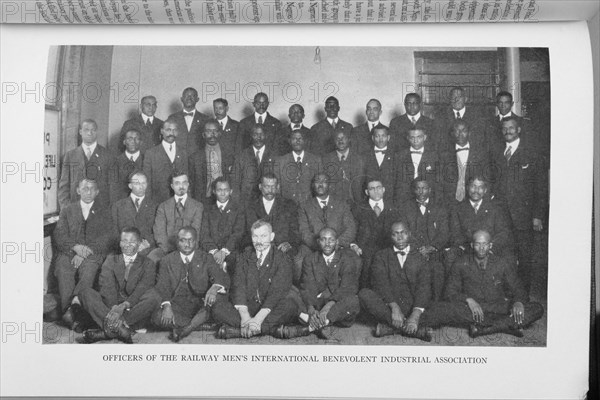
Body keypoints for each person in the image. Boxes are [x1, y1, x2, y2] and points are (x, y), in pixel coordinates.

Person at [420, 230, 544, 338]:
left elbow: (518, 288)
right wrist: (469, 300)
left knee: (537, 308)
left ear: (490, 245)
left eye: (485, 244)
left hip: (497, 307)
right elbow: (449, 292)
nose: (481, 248)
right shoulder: (461, 262)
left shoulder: (501, 263)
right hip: (470, 310)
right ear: (472, 245)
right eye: (478, 244)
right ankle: (506, 325)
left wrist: (518, 302)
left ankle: (485, 328)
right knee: (439, 309)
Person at [212, 220, 298, 339]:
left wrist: (258, 319)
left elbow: (276, 293)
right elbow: (239, 287)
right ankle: (269, 330)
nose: (259, 241)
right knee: (217, 308)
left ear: (272, 236)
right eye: (255, 236)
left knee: (290, 306)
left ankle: (239, 331)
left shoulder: (282, 259)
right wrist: (245, 316)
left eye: (263, 236)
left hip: (268, 309)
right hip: (247, 308)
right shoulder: (243, 257)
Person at [492, 116, 547, 291]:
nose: (507, 131)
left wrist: (538, 216)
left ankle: (523, 296)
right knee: (504, 255)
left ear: (519, 130)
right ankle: (507, 293)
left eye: (511, 128)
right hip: (502, 217)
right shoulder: (497, 152)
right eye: (505, 128)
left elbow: (540, 187)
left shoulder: (531, 153)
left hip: (524, 216)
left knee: (524, 257)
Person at [275, 228, 361, 339]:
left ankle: (313, 326)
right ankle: (318, 322)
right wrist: (311, 308)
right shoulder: (310, 259)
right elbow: (307, 286)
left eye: (331, 240)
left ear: (337, 242)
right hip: (315, 302)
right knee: (289, 290)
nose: (328, 243)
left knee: (354, 300)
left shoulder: (347, 259)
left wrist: (328, 306)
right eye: (324, 240)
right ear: (318, 242)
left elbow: (347, 287)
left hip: (335, 305)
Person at [53, 179, 113, 331]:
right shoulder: (68, 210)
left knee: (89, 269)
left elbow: (108, 237)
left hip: (93, 253)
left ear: (97, 192)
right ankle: (72, 311)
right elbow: (59, 234)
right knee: (63, 268)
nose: (88, 191)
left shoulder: (105, 211)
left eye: (92, 188)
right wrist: (75, 248)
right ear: (78, 191)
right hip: (69, 252)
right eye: (85, 188)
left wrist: (85, 251)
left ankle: (73, 310)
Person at [151, 227, 229, 342]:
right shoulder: (166, 260)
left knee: (215, 302)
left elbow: (221, 277)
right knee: (156, 316)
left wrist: (214, 288)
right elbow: (162, 286)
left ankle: (185, 329)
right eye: (182, 240)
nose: (187, 244)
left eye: (190, 240)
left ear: (196, 241)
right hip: (177, 305)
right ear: (177, 242)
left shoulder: (206, 258)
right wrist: (167, 306)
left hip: (201, 304)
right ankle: (196, 325)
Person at [80, 227, 157, 343]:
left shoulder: (148, 263)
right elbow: (106, 287)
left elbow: (142, 288)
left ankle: (108, 331)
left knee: (154, 297)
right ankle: (122, 329)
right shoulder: (111, 260)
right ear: (120, 243)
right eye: (124, 241)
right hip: (111, 306)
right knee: (84, 292)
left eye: (132, 241)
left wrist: (124, 305)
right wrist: (115, 308)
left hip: (132, 307)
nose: (127, 245)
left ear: (140, 243)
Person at [358, 221, 433, 341]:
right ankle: (414, 330)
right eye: (395, 234)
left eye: (403, 233)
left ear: (409, 234)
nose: (400, 238)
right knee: (364, 294)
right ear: (390, 237)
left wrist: (415, 314)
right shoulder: (381, 256)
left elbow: (424, 288)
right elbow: (380, 284)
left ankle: (392, 327)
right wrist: (394, 307)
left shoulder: (420, 257)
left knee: (439, 306)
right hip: (390, 306)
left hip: (412, 305)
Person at [297, 174, 357, 283]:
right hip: (312, 246)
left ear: (329, 185)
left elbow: (351, 228)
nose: (320, 184)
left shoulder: (341, 204)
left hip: (338, 245)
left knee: (355, 260)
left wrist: (337, 243)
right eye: (317, 181)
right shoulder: (304, 206)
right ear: (312, 185)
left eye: (324, 181)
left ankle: (347, 293)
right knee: (299, 261)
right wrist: (320, 245)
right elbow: (304, 231)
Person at [400, 177, 450, 301]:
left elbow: (444, 233)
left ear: (430, 190)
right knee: (410, 269)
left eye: (424, 188)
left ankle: (436, 306)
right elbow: (405, 233)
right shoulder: (406, 208)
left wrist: (431, 248)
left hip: (434, 252)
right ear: (413, 190)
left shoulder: (440, 208)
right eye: (418, 188)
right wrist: (418, 249)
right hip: (414, 251)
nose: (421, 192)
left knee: (437, 270)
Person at [449, 175, 514, 265]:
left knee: (509, 258)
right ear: (467, 188)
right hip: (468, 250)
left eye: (480, 187)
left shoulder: (495, 208)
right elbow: (455, 234)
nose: (476, 191)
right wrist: (473, 248)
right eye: (473, 186)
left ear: (485, 190)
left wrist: (489, 247)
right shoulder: (457, 209)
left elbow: (503, 232)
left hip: (491, 249)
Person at [351, 178, 402, 289]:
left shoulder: (394, 208)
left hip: (389, 249)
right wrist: (354, 245)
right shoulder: (358, 208)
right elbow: (352, 230)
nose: (376, 191)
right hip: (365, 251)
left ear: (383, 189)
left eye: (378, 188)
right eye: (372, 188)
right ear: (367, 192)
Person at [148, 172, 203, 261]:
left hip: (189, 249)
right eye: (177, 183)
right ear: (172, 186)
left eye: (184, 183)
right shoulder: (163, 206)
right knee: (152, 258)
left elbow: (196, 231)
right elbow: (159, 232)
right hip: (167, 250)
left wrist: (186, 250)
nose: (181, 186)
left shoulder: (198, 206)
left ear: (188, 185)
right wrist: (169, 252)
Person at [58, 119, 112, 210]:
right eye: (86, 130)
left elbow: (112, 187)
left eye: (93, 130)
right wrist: (68, 210)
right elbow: (63, 187)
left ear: (97, 132)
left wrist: (108, 211)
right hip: (75, 211)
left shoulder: (107, 155)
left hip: (100, 212)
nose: (90, 133)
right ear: (80, 132)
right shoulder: (70, 156)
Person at [245, 173, 300, 258]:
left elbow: (295, 231)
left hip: (282, 251)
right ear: (260, 187)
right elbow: (249, 231)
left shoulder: (289, 205)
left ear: (278, 187)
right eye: (266, 186)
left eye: (273, 187)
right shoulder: (251, 206)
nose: (270, 190)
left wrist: (289, 243)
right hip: (258, 249)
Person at [440, 120, 491, 208]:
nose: (460, 134)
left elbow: (487, 178)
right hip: (450, 202)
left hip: (473, 201)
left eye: (464, 131)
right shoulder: (444, 154)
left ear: (469, 133)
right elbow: (440, 180)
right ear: (452, 133)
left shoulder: (481, 153)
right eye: (457, 131)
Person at [200, 177, 246, 275]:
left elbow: (238, 233)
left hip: (231, 251)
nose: (223, 193)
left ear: (231, 191)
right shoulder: (207, 210)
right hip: (212, 251)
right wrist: (215, 251)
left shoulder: (238, 209)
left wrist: (224, 252)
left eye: (226, 190)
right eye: (219, 190)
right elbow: (204, 234)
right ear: (214, 191)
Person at [111, 172, 158, 258]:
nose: (141, 186)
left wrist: (147, 243)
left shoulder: (155, 206)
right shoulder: (118, 206)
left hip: (147, 250)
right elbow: (114, 231)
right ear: (130, 186)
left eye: (143, 183)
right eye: (137, 183)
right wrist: (126, 245)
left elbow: (158, 230)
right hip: (123, 250)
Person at [142, 117, 188, 204]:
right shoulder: (151, 153)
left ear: (177, 132)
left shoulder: (183, 153)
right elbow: (147, 182)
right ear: (162, 131)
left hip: (179, 202)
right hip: (158, 202)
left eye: (174, 130)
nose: (171, 133)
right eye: (168, 130)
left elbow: (187, 179)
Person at [188, 119, 235, 204]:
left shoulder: (230, 155)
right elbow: (191, 184)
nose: (212, 135)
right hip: (202, 200)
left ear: (220, 134)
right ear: (203, 134)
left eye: (215, 131)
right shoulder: (194, 158)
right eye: (209, 131)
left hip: (225, 199)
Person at [230, 124, 277, 204]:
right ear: (251, 136)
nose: (258, 138)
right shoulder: (241, 155)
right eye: (255, 134)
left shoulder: (274, 155)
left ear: (266, 136)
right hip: (246, 201)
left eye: (261, 134)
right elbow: (235, 182)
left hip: (268, 201)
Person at [275, 130, 323, 205]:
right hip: (287, 205)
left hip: (310, 205)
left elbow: (320, 185)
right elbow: (277, 186)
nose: (297, 141)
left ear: (305, 141)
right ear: (290, 141)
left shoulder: (315, 160)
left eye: (300, 138)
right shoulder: (281, 161)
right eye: (294, 138)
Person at [396, 127, 441, 205]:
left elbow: (437, 181)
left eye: (419, 137)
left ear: (425, 137)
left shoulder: (434, 156)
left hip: (427, 198)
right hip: (404, 199)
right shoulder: (399, 155)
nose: (415, 140)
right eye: (412, 137)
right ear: (407, 138)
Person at [435, 87, 488, 152]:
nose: (456, 100)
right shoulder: (441, 116)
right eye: (453, 97)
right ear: (449, 99)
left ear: (465, 99)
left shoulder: (476, 116)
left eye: (459, 97)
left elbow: (480, 139)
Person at [321, 129, 365, 206]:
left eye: (343, 138)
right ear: (334, 141)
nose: (340, 141)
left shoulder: (358, 159)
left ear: (349, 140)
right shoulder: (326, 159)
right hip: (332, 204)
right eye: (337, 138)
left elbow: (360, 184)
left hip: (354, 203)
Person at [362, 126, 400, 203]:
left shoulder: (397, 155)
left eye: (383, 136)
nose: (381, 139)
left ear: (388, 137)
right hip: (370, 200)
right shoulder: (364, 156)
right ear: (372, 138)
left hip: (391, 199)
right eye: (377, 136)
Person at [167, 87, 211, 154]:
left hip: (198, 161)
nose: (189, 98)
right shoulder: (172, 118)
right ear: (181, 99)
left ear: (197, 99)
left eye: (192, 96)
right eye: (186, 96)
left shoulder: (205, 119)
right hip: (178, 160)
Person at [109, 129, 144, 203]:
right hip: (122, 205)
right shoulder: (115, 162)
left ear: (141, 142)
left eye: (136, 139)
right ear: (124, 142)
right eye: (130, 138)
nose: (133, 141)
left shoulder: (147, 160)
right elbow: (113, 190)